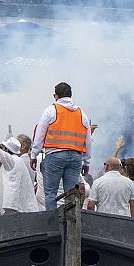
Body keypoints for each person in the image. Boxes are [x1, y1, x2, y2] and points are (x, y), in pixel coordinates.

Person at [33, 81, 90, 210]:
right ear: (70, 95)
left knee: (50, 194)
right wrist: (86, 162)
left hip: (54, 156)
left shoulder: (51, 110)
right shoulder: (82, 114)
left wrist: (34, 154)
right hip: (76, 157)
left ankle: (53, 225)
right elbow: (87, 140)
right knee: (71, 195)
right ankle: (70, 226)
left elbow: (40, 134)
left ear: (56, 96)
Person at [0, 134, 39, 215]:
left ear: (7, 151)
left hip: (16, 209)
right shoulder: (16, 161)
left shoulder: (12, 161)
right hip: (20, 208)